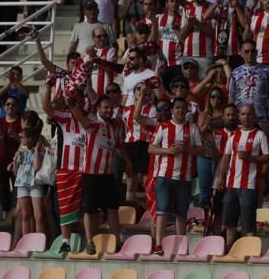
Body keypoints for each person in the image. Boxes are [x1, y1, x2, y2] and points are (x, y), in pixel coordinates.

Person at [63, 94, 132, 255]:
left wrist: (128, 162)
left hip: (107, 175)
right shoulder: (93, 123)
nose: (109, 110)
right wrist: (72, 105)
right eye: (105, 107)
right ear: (98, 109)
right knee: (90, 210)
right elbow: (82, 119)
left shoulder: (114, 127)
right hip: (90, 174)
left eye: (110, 108)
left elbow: (119, 146)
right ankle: (89, 242)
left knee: (112, 209)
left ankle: (117, 240)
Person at [148, 98, 204, 252]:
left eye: (183, 108)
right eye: (177, 108)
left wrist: (188, 149)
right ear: (172, 110)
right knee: (162, 211)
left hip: (184, 178)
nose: (180, 111)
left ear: (187, 111)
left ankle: (181, 246)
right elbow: (151, 148)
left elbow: (201, 150)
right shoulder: (163, 127)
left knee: (181, 213)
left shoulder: (192, 128)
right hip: (165, 176)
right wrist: (168, 151)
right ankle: (159, 244)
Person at [215, 105, 269, 250]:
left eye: (250, 114)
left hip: (249, 184)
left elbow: (267, 157)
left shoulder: (260, 135)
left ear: (254, 116)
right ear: (239, 116)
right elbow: (226, 157)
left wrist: (252, 158)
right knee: (229, 220)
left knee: (248, 220)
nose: (246, 117)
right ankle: (229, 247)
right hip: (232, 183)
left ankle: (249, 249)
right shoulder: (234, 135)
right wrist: (221, 177)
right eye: (244, 114)